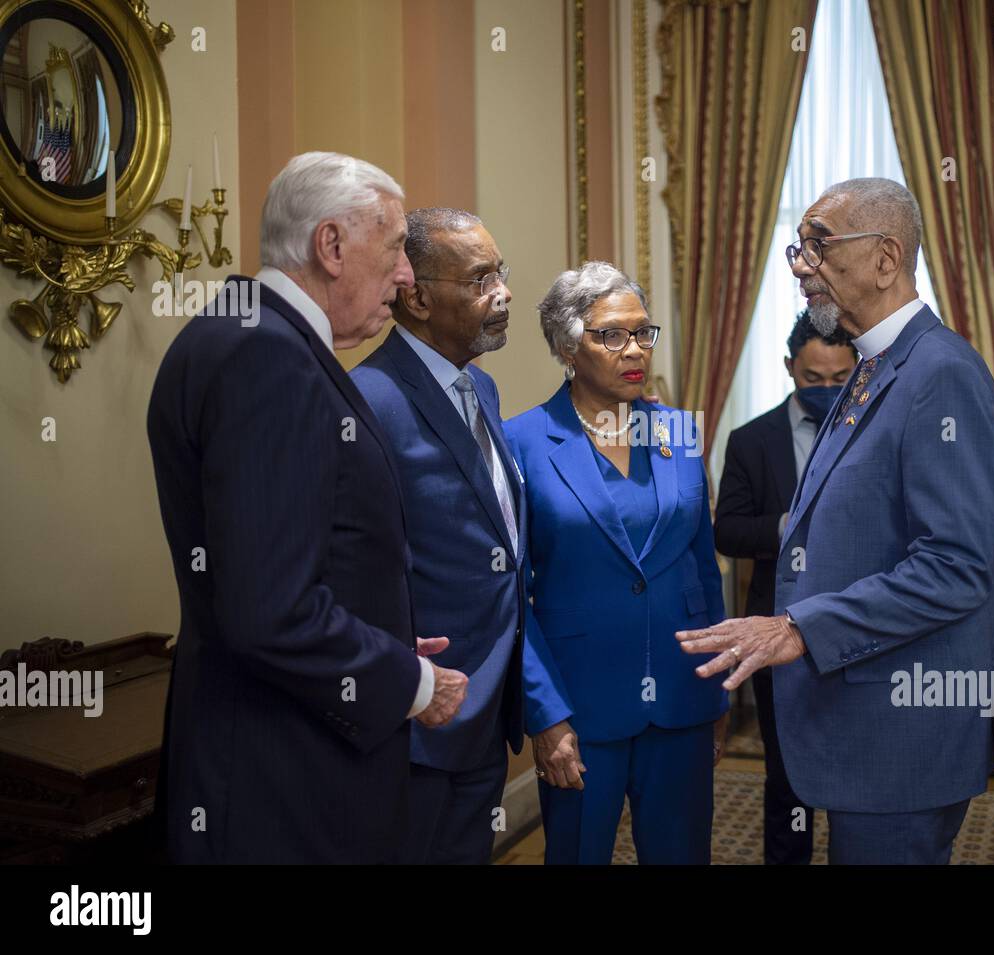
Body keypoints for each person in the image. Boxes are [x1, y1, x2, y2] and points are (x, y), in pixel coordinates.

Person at [678, 177, 994, 865]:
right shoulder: (869, 371)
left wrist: (796, 626)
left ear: (885, 257)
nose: (802, 265)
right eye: (799, 246)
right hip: (864, 722)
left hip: (905, 733)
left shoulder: (940, 374)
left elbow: (955, 568)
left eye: (820, 245)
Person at [146, 152, 466, 864]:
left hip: (262, 757)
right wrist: (411, 682)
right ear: (331, 245)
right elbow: (271, 610)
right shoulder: (271, 359)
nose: (407, 276)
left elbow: (277, 562)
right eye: (394, 251)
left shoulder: (228, 334)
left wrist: (376, 640)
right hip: (284, 781)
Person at [504, 261, 728, 865]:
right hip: (581, 709)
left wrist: (718, 692)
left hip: (682, 699)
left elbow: (702, 571)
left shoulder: (679, 432)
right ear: (566, 347)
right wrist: (544, 715)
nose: (635, 350)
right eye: (611, 335)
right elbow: (509, 598)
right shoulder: (520, 441)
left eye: (642, 332)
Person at [351, 208, 527, 865]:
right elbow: (354, 566)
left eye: (500, 272)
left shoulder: (480, 385)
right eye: (482, 279)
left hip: (484, 707)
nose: (503, 292)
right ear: (418, 296)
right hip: (418, 720)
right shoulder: (370, 399)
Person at [713, 310, 855, 864]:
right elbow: (727, 530)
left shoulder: (873, 427)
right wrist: (790, 524)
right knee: (787, 776)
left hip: (856, 628)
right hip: (775, 630)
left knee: (855, 774)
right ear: (789, 368)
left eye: (839, 380)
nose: (825, 390)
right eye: (812, 379)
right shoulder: (751, 440)